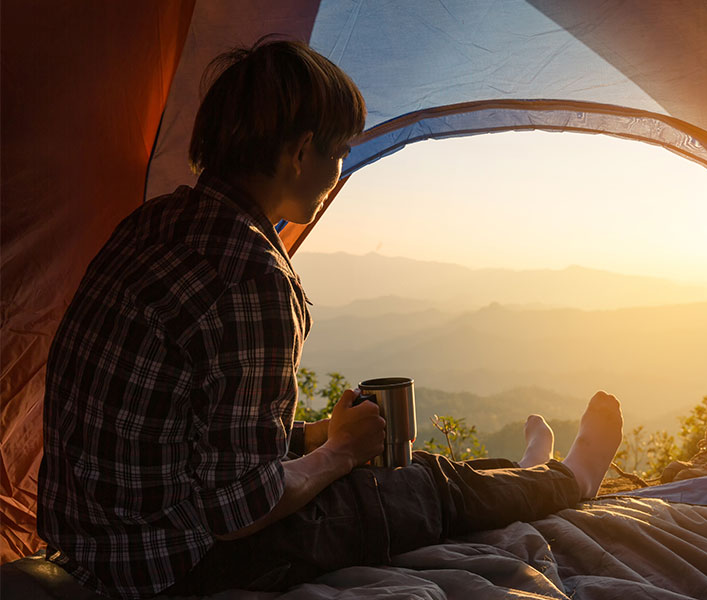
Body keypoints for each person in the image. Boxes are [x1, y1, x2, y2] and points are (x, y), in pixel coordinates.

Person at [37, 38, 623, 599]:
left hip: (92, 538)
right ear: (299, 153)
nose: (339, 171)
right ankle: (573, 480)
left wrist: (320, 437)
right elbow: (239, 510)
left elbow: (197, 433)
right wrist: (338, 454)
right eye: (338, 152)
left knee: (394, 462)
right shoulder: (251, 273)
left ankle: (524, 478)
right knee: (418, 485)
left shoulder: (154, 222)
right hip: (169, 562)